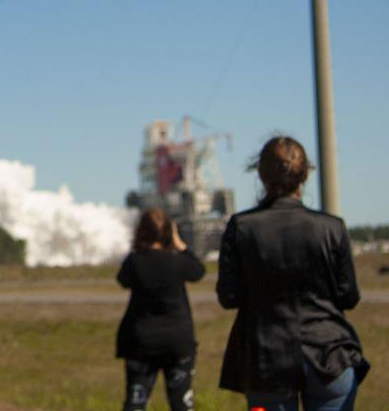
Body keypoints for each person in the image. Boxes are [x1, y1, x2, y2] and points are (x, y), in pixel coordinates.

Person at [217, 136, 369, 410]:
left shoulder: (241, 227)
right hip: (329, 355)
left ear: (261, 174)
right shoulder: (332, 227)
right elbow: (349, 297)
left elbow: (229, 297)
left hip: (266, 362)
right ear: (305, 174)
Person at [115, 208, 204, 410]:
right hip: (177, 342)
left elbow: (122, 279)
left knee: (135, 402)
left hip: (141, 342)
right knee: (180, 402)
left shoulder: (135, 262)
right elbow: (198, 271)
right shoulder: (178, 262)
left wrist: (139, 246)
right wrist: (179, 244)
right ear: (168, 232)